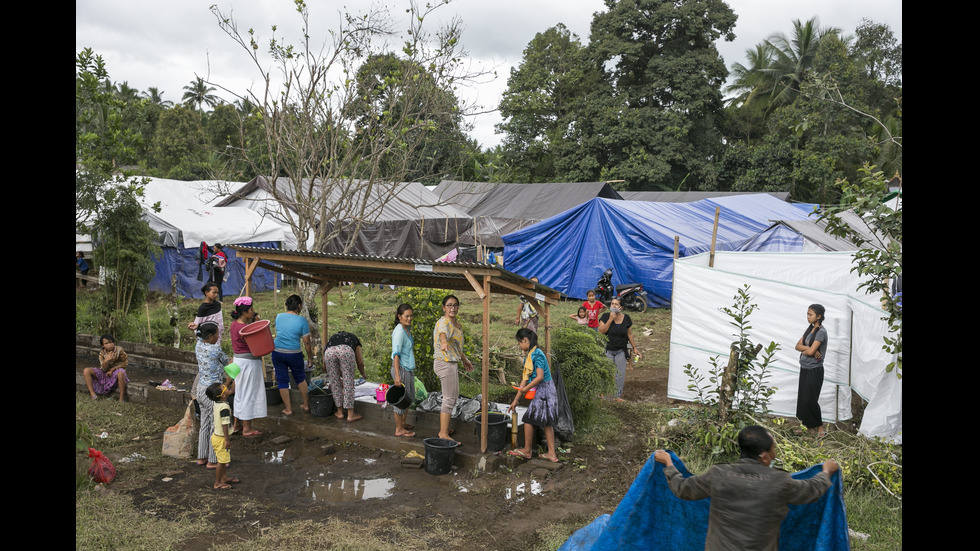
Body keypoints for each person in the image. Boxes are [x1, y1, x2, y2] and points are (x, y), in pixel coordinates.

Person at [654, 425, 839, 551]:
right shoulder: (780, 481)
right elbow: (812, 490)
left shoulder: (718, 474)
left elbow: (683, 489)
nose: (775, 454)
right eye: (774, 449)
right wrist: (826, 472)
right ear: (764, 456)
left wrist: (669, 464)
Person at [507, 328, 559, 462]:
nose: (519, 346)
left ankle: (527, 450)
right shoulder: (530, 356)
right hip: (544, 390)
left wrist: (525, 390)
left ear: (525, 340)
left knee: (529, 419)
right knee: (547, 422)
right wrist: (516, 400)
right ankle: (551, 454)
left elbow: (540, 377)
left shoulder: (537, 355)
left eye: (519, 343)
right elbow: (524, 380)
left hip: (545, 391)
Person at [433, 294, 474, 445]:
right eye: (449, 305)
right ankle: (443, 433)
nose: (453, 308)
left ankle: (445, 428)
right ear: (443, 307)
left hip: (452, 362)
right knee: (449, 398)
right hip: (444, 362)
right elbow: (443, 334)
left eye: (455, 305)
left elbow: (457, 346)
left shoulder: (456, 324)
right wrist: (443, 342)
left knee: (453, 396)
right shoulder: (443, 322)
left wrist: (464, 360)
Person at [195, 322, 231, 468]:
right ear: (210, 336)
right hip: (213, 391)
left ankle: (202, 457)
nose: (218, 336)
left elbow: (198, 335)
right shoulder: (215, 349)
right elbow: (227, 362)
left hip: (200, 389)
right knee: (214, 425)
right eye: (217, 334)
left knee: (204, 423)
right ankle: (213, 460)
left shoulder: (198, 345)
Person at [229, 296, 266, 437]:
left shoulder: (234, 325)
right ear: (244, 312)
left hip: (238, 361)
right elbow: (258, 344)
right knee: (248, 394)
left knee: (240, 392)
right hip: (248, 364)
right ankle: (247, 429)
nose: (253, 311)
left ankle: (237, 424)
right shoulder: (244, 329)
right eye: (251, 310)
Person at [272, 294, 314, 416]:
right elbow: (306, 342)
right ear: (299, 306)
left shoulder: (279, 316)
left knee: (282, 381)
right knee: (301, 378)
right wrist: (310, 357)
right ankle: (306, 405)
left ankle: (288, 409)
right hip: (294, 354)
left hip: (277, 352)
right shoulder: (302, 321)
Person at [795, 304, 828, 437]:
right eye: (807, 314)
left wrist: (810, 351)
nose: (808, 317)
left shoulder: (821, 332)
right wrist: (809, 350)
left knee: (810, 399)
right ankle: (807, 427)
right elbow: (797, 346)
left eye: (810, 315)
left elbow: (811, 351)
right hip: (804, 368)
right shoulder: (809, 329)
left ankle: (820, 427)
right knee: (803, 398)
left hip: (814, 370)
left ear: (818, 316)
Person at [598, 297, 640, 400]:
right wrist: (610, 319)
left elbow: (629, 334)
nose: (613, 306)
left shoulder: (626, 318)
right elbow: (601, 331)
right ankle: (602, 393)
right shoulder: (605, 316)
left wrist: (634, 348)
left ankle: (617, 396)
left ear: (620, 307)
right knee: (606, 372)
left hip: (621, 350)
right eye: (612, 304)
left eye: (616, 304)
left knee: (620, 374)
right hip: (608, 349)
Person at [323, 331, 367, 423]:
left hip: (328, 353)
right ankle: (350, 414)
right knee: (348, 382)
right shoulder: (353, 338)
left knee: (334, 383)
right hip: (345, 351)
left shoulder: (332, 339)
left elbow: (324, 365)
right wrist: (363, 373)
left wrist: (337, 374)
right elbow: (360, 362)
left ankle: (339, 412)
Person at [204, 383, 240, 490]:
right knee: (221, 461)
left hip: (217, 436)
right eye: (224, 388)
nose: (226, 387)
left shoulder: (217, 403)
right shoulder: (224, 407)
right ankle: (217, 483)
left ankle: (224, 477)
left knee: (223, 459)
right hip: (221, 438)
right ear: (223, 396)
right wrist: (227, 440)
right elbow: (225, 424)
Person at [390, 303, 416, 437]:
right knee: (401, 400)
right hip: (401, 369)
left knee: (409, 398)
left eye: (411, 316)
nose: (409, 318)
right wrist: (397, 376)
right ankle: (398, 429)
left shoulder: (406, 329)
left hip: (407, 368)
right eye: (407, 316)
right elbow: (396, 354)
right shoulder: (399, 331)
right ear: (399, 317)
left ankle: (403, 423)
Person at [83, 334, 129, 401]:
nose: (109, 345)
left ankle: (121, 398)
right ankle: (93, 394)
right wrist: (106, 360)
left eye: (110, 342)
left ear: (113, 342)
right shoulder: (102, 353)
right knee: (86, 370)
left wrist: (113, 369)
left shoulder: (119, 350)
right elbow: (103, 369)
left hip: (117, 372)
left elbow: (125, 363)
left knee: (121, 373)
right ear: (103, 346)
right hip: (105, 373)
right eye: (106, 343)